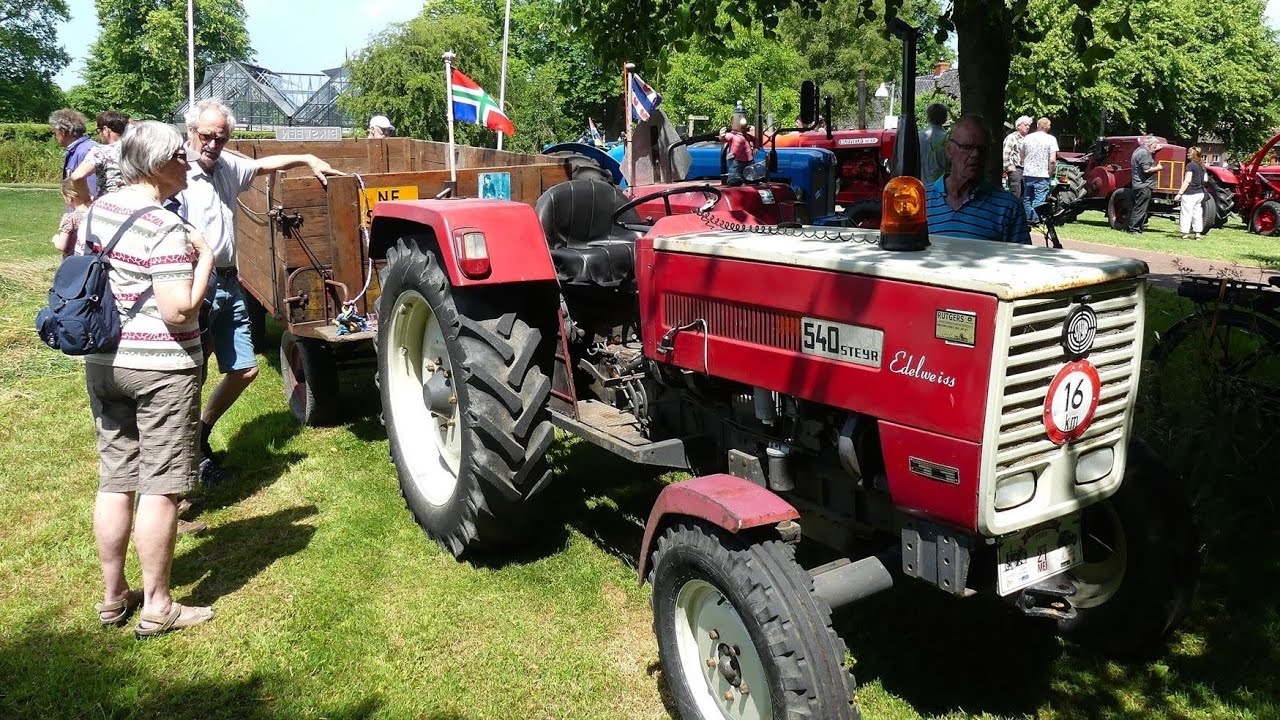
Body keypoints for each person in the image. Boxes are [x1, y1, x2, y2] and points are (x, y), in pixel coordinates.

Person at [81, 120, 217, 637]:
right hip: (160, 367)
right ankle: (158, 604)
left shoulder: (98, 211)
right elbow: (178, 309)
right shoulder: (163, 225)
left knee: (116, 480)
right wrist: (201, 256)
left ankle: (113, 597)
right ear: (158, 165)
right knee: (161, 487)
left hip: (104, 362)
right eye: (180, 157)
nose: (187, 163)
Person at [175, 98, 344, 479]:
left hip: (228, 281)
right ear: (190, 132)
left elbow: (265, 164)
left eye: (221, 137)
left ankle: (200, 432)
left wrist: (306, 158)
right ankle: (187, 464)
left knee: (245, 369)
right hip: (192, 282)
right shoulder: (176, 172)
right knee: (191, 376)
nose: (213, 145)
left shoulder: (226, 165)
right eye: (206, 136)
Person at [925, 114, 1031, 245]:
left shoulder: (1008, 208)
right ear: (949, 149)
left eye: (982, 149)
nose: (975, 154)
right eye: (967, 148)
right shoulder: (920, 201)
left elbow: (1019, 261)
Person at [70, 110, 130, 200]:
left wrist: (86, 199)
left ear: (106, 130)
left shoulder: (100, 151)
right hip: (136, 204)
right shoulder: (139, 149)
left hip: (109, 204)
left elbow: (77, 176)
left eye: (98, 131)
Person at [49, 109, 98, 205]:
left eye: (55, 132)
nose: (55, 136)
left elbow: (92, 190)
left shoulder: (86, 151)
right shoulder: (75, 150)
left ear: (62, 132)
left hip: (84, 213)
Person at [1020, 117, 1058, 224]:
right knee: (1039, 199)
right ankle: (1036, 220)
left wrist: (1027, 162)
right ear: (1048, 127)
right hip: (1042, 174)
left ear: (1037, 125)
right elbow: (1052, 160)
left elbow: (1021, 154)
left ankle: (1028, 219)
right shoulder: (1051, 139)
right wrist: (1050, 173)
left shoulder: (1028, 138)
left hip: (1028, 173)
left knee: (1027, 199)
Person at [1128, 136, 1162, 234]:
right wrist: (1158, 168)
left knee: (1140, 207)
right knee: (1140, 208)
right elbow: (1146, 169)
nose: (1155, 148)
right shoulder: (1144, 154)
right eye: (1154, 146)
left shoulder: (1138, 151)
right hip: (1144, 185)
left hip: (1139, 184)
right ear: (1150, 145)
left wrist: (1156, 148)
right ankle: (1134, 229)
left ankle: (1138, 228)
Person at [1174, 146, 1206, 241]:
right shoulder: (1202, 166)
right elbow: (1205, 179)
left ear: (1193, 154)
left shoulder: (1190, 165)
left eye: (1189, 153)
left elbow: (1187, 180)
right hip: (1200, 193)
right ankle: (1197, 234)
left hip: (1190, 193)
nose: (1187, 154)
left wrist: (1179, 193)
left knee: (1186, 214)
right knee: (1197, 213)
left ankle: (1185, 234)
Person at [1002, 115, 1032, 201]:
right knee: (1016, 194)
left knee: (1025, 195)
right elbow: (1005, 154)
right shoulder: (1011, 137)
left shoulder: (1028, 139)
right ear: (1018, 126)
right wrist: (1009, 167)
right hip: (1016, 169)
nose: (1027, 127)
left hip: (1026, 170)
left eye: (1029, 125)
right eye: (1025, 125)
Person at [718, 116, 756, 185]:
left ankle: (749, 179)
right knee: (735, 173)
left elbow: (755, 139)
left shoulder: (747, 136)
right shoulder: (732, 135)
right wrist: (722, 135)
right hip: (736, 159)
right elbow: (723, 139)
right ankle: (734, 179)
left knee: (750, 172)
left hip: (749, 160)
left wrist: (756, 146)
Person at [918, 102, 949, 184]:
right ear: (945, 118)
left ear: (928, 117)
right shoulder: (947, 139)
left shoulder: (918, 137)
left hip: (921, 186)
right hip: (941, 187)